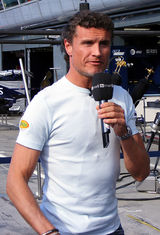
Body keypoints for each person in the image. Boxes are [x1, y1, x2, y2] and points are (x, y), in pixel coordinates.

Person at [6, 11, 150, 235]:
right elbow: (15, 181)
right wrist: (48, 232)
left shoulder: (121, 96)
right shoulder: (46, 103)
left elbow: (141, 173)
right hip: (61, 230)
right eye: (87, 43)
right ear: (68, 46)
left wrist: (124, 132)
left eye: (104, 43)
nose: (97, 52)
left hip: (112, 229)